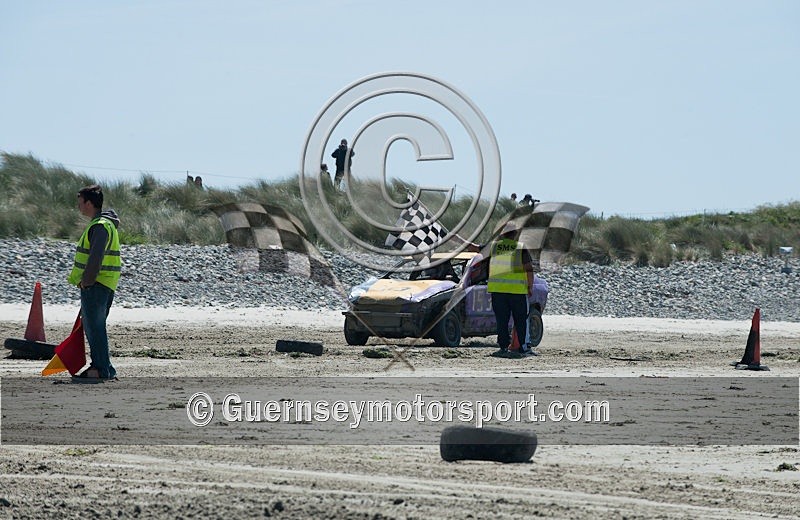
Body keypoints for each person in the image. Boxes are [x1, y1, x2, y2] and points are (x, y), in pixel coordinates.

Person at [68, 185, 121, 380]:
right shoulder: (105, 224)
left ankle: (100, 369)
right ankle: (104, 367)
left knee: (94, 328)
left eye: (80, 203)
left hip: (96, 285)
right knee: (95, 328)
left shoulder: (100, 226)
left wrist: (86, 282)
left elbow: (95, 258)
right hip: (104, 284)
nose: (78, 207)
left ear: (89, 203)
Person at [487, 222, 534, 357]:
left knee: (502, 321)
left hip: (498, 291)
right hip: (517, 291)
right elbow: (529, 269)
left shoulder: (494, 247)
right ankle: (522, 347)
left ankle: (503, 347)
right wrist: (530, 286)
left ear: (502, 233)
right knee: (520, 321)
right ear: (515, 234)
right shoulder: (520, 247)